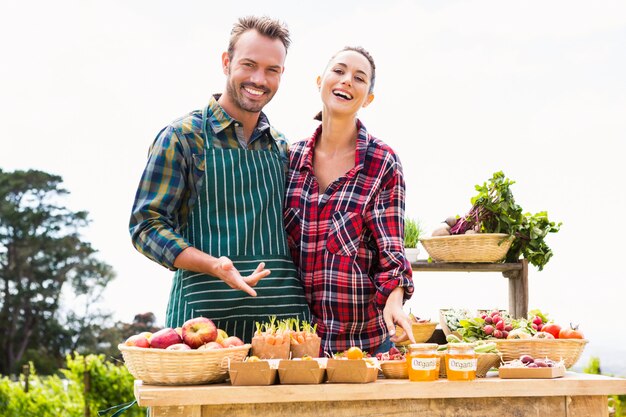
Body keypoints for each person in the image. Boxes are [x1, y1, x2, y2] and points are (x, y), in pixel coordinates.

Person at [129, 16, 310, 343]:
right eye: (249, 64)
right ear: (226, 63)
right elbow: (146, 226)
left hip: (283, 331)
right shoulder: (183, 138)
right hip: (203, 330)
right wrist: (214, 265)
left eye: (273, 70)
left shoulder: (283, 148)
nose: (259, 79)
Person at [284, 46, 415, 355]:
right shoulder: (290, 159)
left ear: (367, 98)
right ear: (320, 81)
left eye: (359, 78)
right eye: (339, 71)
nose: (346, 81)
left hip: (362, 346)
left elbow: (391, 250)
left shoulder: (382, 162)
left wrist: (395, 302)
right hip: (297, 347)